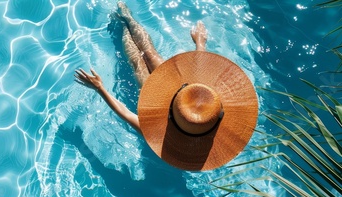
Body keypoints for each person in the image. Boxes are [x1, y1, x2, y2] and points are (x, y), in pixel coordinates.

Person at [74, 2, 258, 171]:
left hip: (179, 85)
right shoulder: (200, 114)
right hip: (173, 98)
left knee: (146, 55)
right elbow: (126, 114)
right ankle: (125, 22)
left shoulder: (205, 99)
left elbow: (200, 71)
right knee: (138, 62)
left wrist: (200, 43)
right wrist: (100, 88)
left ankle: (125, 20)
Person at [74, 2, 208, 134]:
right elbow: (200, 70)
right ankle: (127, 17)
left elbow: (126, 114)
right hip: (180, 88)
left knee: (138, 62)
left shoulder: (159, 132)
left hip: (158, 103)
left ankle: (124, 24)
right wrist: (200, 43)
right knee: (148, 54)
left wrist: (100, 88)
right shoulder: (208, 110)